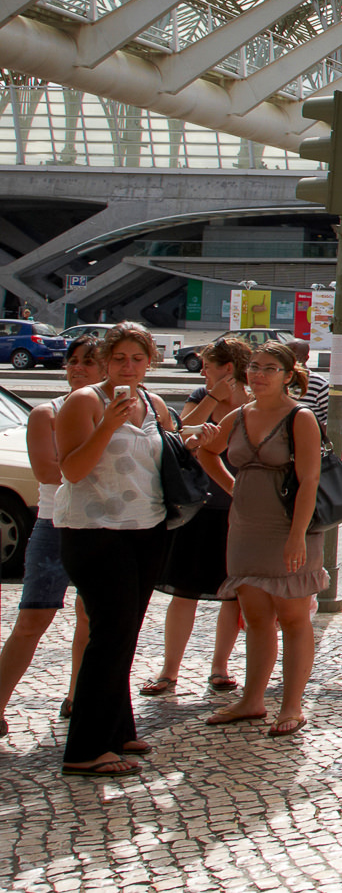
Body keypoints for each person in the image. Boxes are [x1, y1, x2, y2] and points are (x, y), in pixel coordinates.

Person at [52, 322, 172, 776]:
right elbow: (73, 470)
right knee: (108, 634)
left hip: (147, 527)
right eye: (120, 358)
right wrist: (106, 425)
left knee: (125, 633)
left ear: (150, 361)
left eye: (137, 359)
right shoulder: (84, 402)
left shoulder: (154, 403)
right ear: (105, 361)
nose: (129, 367)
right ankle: (84, 749)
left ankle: (118, 728)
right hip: (94, 530)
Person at [195, 342, 325, 739]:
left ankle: (292, 704)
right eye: (253, 367)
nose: (258, 375)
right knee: (254, 617)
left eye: (269, 368)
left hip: (287, 526)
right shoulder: (239, 414)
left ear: (289, 375)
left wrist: (297, 536)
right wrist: (234, 488)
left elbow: (310, 481)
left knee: (293, 617)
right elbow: (206, 451)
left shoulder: (299, 417)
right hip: (246, 526)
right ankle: (252, 700)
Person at [0, 337, 100, 735]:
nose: (77, 368)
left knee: (91, 620)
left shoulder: (120, 413)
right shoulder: (48, 412)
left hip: (102, 528)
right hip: (55, 525)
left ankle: (79, 697)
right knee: (32, 620)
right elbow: (48, 472)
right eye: (72, 361)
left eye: (88, 362)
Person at [143, 336, 249, 699]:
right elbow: (178, 432)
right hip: (199, 507)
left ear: (228, 368)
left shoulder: (252, 400)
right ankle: (169, 671)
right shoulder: (200, 396)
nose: (202, 371)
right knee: (184, 592)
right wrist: (214, 398)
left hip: (240, 512)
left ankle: (220, 667)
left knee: (232, 595)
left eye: (208, 366)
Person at [285, 338, 330, 435]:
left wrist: (310, 430)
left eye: (295, 357)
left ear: (306, 358)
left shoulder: (319, 384)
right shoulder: (278, 381)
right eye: (285, 356)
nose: (289, 361)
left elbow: (336, 420)